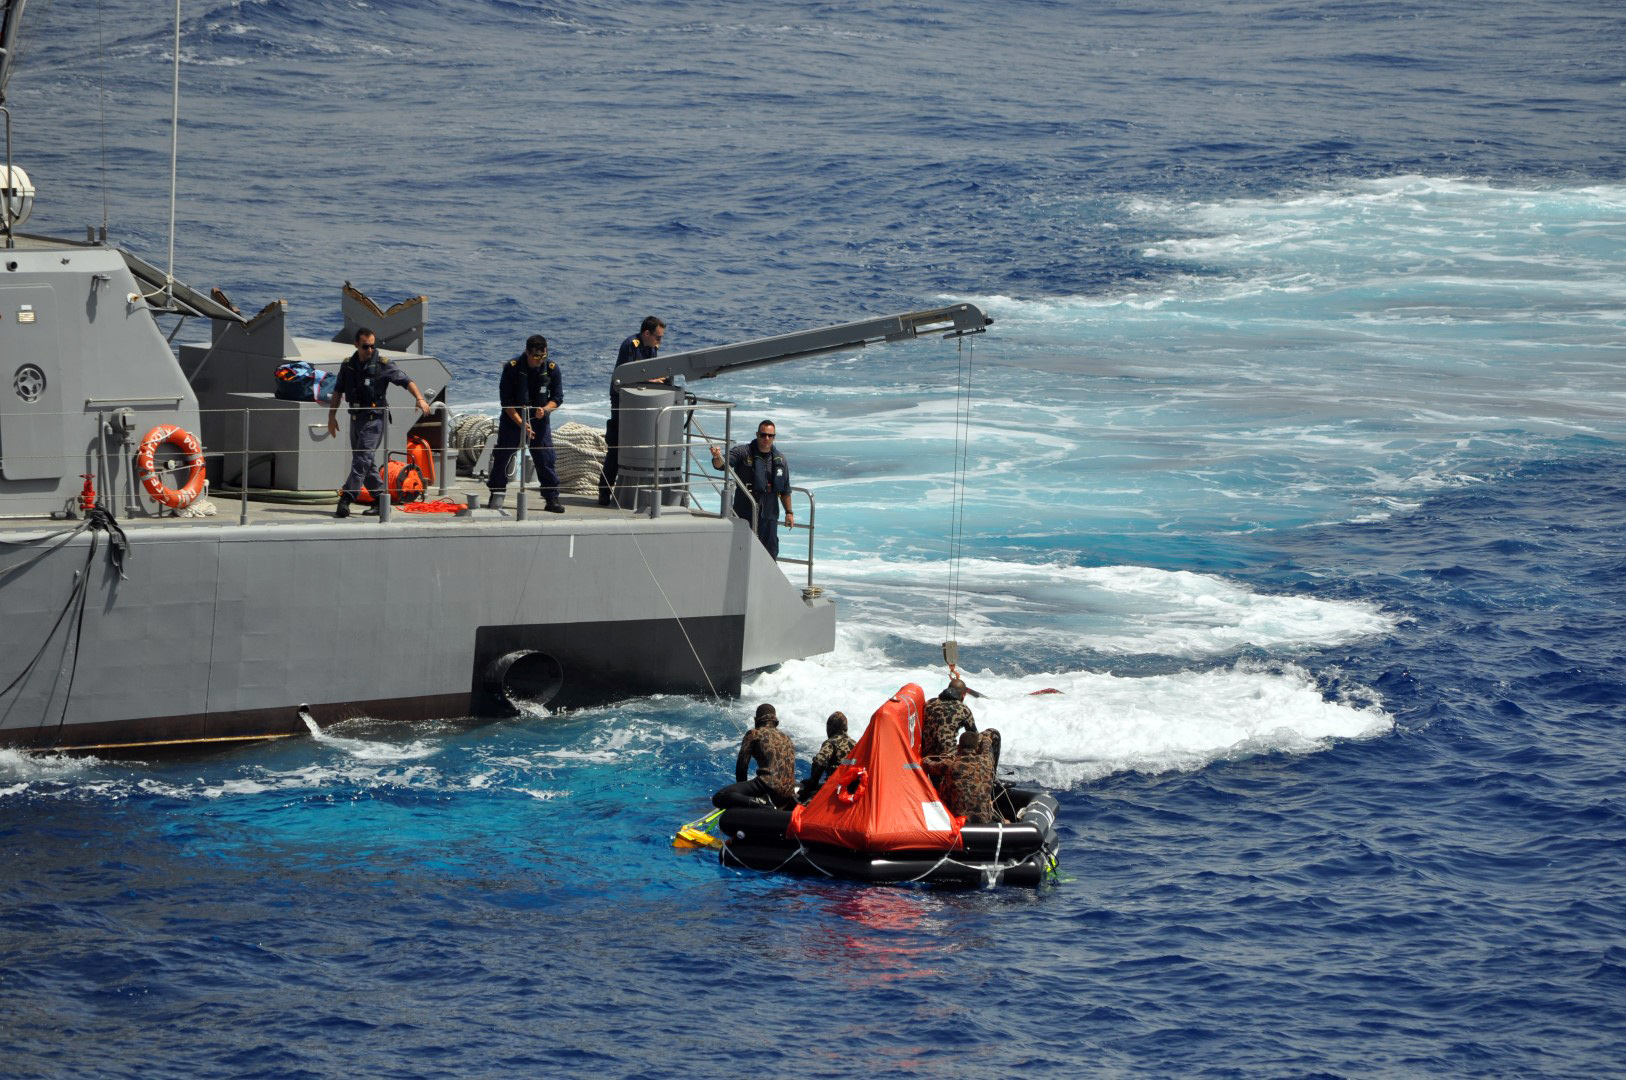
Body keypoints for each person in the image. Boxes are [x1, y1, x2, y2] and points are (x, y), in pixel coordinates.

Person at [326, 327, 431, 517]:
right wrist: (331, 417)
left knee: (361, 460)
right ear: (356, 345)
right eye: (365, 346)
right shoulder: (348, 365)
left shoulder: (383, 365)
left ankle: (346, 498)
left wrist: (419, 398)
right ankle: (380, 500)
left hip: (374, 420)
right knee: (366, 462)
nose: (370, 350)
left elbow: (406, 381)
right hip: (355, 418)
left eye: (372, 346)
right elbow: (338, 391)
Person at [487, 334, 565, 513]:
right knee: (503, 456)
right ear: (527, 352)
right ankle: (497, 493)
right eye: (536, 356)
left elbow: (557, 397)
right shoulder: (512, 367)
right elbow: (506, 401)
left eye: (543, 356)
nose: (540, 360)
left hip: (539, 419)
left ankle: (551, 498)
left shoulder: (552, 369)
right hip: (513, 418)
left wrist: (545, 409)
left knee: (545, 458)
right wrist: (521, 423)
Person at [599, 315, 666, 507]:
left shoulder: (651, 348)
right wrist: (650, 380)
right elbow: (626, 376)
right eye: (658, 337)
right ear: (647, 333)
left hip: (641, 400)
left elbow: (651, 371)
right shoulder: (631, 345)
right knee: (617, 445)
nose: (659, 342)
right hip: (623, 400)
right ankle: (604, 490)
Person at [710, 420, 793, 558]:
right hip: (744, 511)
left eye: (770, 435)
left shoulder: (780, 460)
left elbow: (785, 490)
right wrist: (717, 457)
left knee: (769, 552)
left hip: (769, 514)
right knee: (742, 550)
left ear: (774, 437)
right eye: (763, 435)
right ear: (757, 434)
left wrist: (789, 512)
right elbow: (721, 465)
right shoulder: (743, 452)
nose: (766, 438)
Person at [711, 703, 798, 810]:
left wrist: (741, 796)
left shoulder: (754, 733)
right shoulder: (787, 738)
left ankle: (761, 804)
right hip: (788, 791)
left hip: (768, 785)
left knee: (719, 797)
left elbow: (742, 767)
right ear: (775, 720)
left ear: (756, 719)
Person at [927, 728, 1004, 825]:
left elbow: (927, 764)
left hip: (959, 821)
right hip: (984, 822)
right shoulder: (986, 761)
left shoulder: (950, 764)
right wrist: (985, 739)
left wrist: (947, 756)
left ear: (959, 747)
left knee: (944, 780)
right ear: (976, 748)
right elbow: (988, 741)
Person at [798, 711, 856, 802]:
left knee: (804, 791)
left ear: (830, 728)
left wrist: (813, 782)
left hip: (834, 788)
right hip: (851, 787)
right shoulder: (855, 744)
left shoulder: (831, 742)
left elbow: (819, 763)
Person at [920, 676, 977, 759]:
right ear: (963, 695)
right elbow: (974, 736)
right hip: (948, 757)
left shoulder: (930, 703)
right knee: (992, 733)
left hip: (926, 755)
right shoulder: (963, 709)